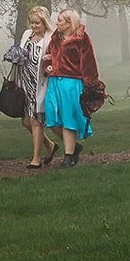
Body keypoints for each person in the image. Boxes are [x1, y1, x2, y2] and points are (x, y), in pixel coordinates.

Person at [42, 9, 99, 166]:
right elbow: (48, 57)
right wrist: (47, 66)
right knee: (51, 117)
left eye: (60, 20)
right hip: (54, 82)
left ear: (68, 23)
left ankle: (68, 156)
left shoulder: (82, 39)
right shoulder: (55, 38)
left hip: (72, 83)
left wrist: (91, 85)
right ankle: (75, 147)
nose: (56, 23)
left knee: (69, 119)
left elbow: (89, 62)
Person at [16, 5, 59, 169]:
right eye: (32, 23)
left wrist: (50, 60)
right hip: (25, 83)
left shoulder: (50, 37)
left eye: (37, 23)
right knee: (26, 121)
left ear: (45, 23)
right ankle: (49, 145)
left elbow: (56, 56)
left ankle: (36, 158)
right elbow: (21, 54)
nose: (34, 26)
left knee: (36, 121)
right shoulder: (27, 34)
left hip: (41, 84)